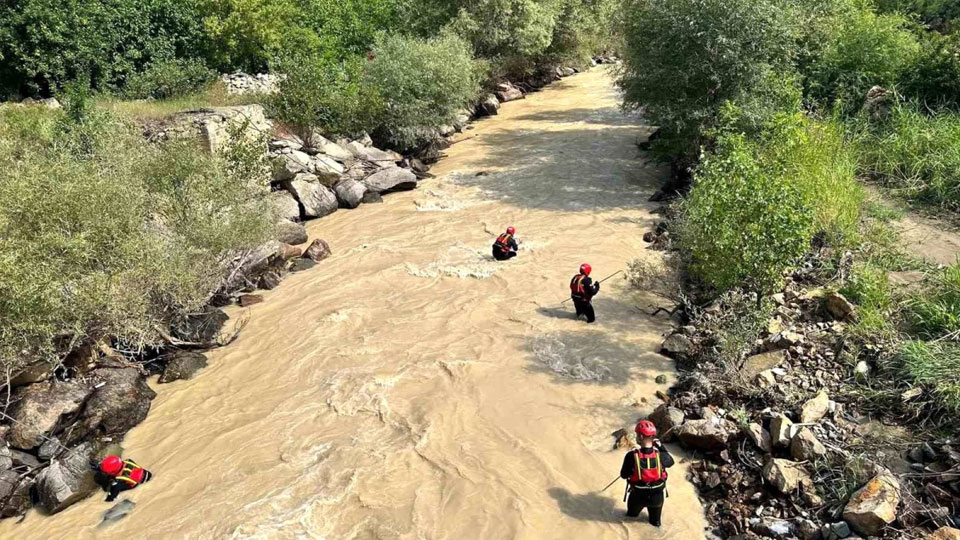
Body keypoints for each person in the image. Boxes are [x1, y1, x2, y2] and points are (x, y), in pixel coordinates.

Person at [619, 420, 674, 526]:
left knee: (630, 519)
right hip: (657, 498)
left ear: (640, 437)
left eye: (636, 435)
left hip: (638, 496)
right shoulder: (661, 455)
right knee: (655, 524)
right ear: (653, 437)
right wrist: (661, 447)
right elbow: (671, 462)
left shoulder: (631, 456)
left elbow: (623, 475)